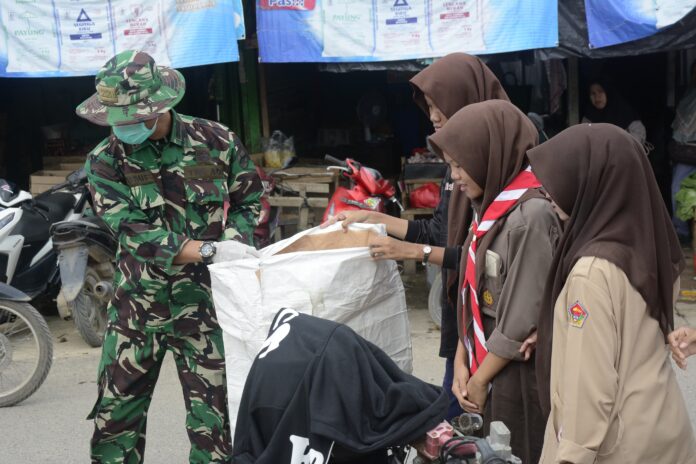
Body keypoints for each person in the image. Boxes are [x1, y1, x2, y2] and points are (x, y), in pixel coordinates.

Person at [75, 50, 263, 463]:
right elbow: (133, 231)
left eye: (128, 118)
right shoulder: (105, 160)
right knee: (114, 423)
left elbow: (250, 200)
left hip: (208, 308)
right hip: (137, 310)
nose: (120, 127)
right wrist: (210, 250)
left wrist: (235, 242)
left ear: (157, 107)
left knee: (217, 426)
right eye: (115, 119)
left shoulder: (216, 141)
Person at [323, 53, 513, 421]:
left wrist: (410, 251)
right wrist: (370, 217)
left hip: (492, 321)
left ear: (466, 99)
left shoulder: (499, 168)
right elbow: (437, 233)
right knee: (455, 416)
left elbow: (485, 257)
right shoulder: (454, 167)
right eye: (428, 107)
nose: (434, 116)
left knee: (474, 422)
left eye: (438, 105)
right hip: (462, 317)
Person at [528, 123, 696, 463]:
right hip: (663, 426)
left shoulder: (591, 274)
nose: (547, 192)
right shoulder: (651, 246)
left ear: (593, 183)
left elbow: (589, 387)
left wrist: (570, 456)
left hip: (618, 446)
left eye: (562, 177)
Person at [428, 99, 560, 463]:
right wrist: (461, 361)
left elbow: (521, 319)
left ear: (490, 156)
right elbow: (470, 291)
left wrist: (479, 379)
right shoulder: (490, 207)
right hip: (484, 367)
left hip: (516, 376)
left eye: (460, 165)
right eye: (451, 165)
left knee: (518, 450)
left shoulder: (530, 216)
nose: (454, 176)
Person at [670, 61, 696, 241]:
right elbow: (679, 127)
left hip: (687, 151)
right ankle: (681, 231)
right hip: (686, 153)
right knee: (677, 190)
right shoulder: (688, 95)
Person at [582, 80, 646, 145]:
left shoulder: (626, 114)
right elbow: (584, 141)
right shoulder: (588, 117)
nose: (597, 97)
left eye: (600, 91)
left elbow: (637, 141)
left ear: (608, 92)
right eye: (593, 93)